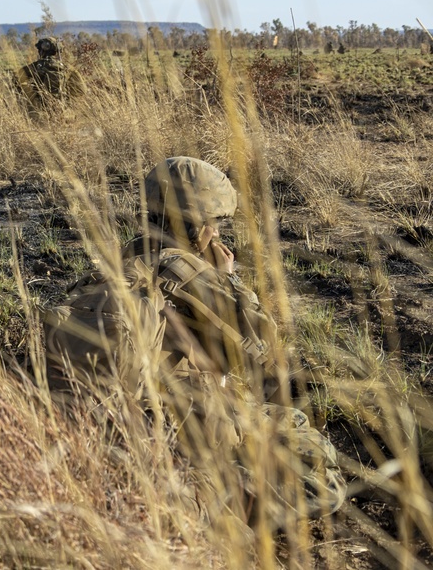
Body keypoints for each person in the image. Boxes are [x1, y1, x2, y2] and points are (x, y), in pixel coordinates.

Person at [46, 156, 345, 527]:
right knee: (322, 478)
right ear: (200, 225)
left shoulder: (122, 260)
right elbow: (260, 351)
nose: (217, 233)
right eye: (215, 224)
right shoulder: (189, 270)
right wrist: (229, 279)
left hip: (115, 424)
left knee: (291, 420)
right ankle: (209, 509)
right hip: (178, 430)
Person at [13, 36, 85, 116]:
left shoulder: (35, 66)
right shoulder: (67, 67)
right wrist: (66, 93)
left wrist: (30, 93)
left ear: (41, 51)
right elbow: (81, 90)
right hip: (65, 112)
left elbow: (16, 79)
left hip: (41, 112)